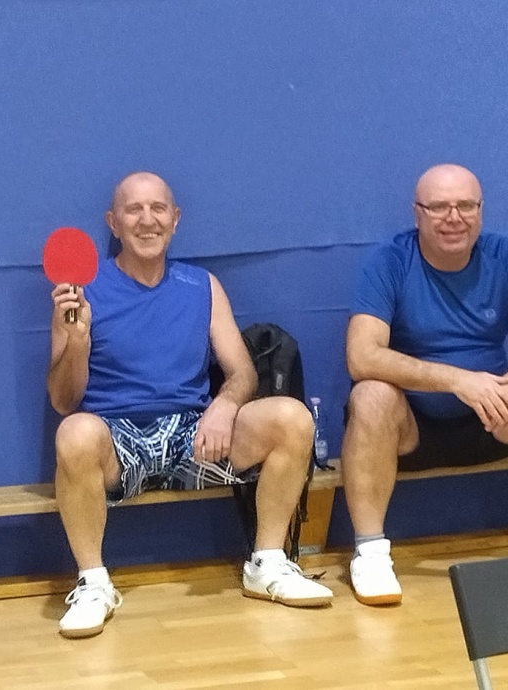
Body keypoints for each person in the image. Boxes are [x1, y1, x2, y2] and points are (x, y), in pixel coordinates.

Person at [47, 171, 333, 638]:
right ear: (113, 223)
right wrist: (76, 341)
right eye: (134, 210)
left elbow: (243, 374)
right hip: (116, 439)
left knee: (291, 417)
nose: (147, 220)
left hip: (193, 435)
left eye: (158, 208)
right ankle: (93, 584)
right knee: (73, 432)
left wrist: (224, 406)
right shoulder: (79, 293)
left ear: (175, 219)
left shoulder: (202, 285)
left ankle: (267, 563)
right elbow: (64, 401)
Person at [341, 163, 508, 606]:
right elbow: (361, 356)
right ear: (417, 213)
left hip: (496, 416)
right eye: (439, 207)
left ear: (481, 210)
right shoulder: (388, 262)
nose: (454, 218)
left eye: (465, 206)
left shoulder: (505, 256)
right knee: (370, 394)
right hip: (413, 426)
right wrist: (457, 380)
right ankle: (370, 554)